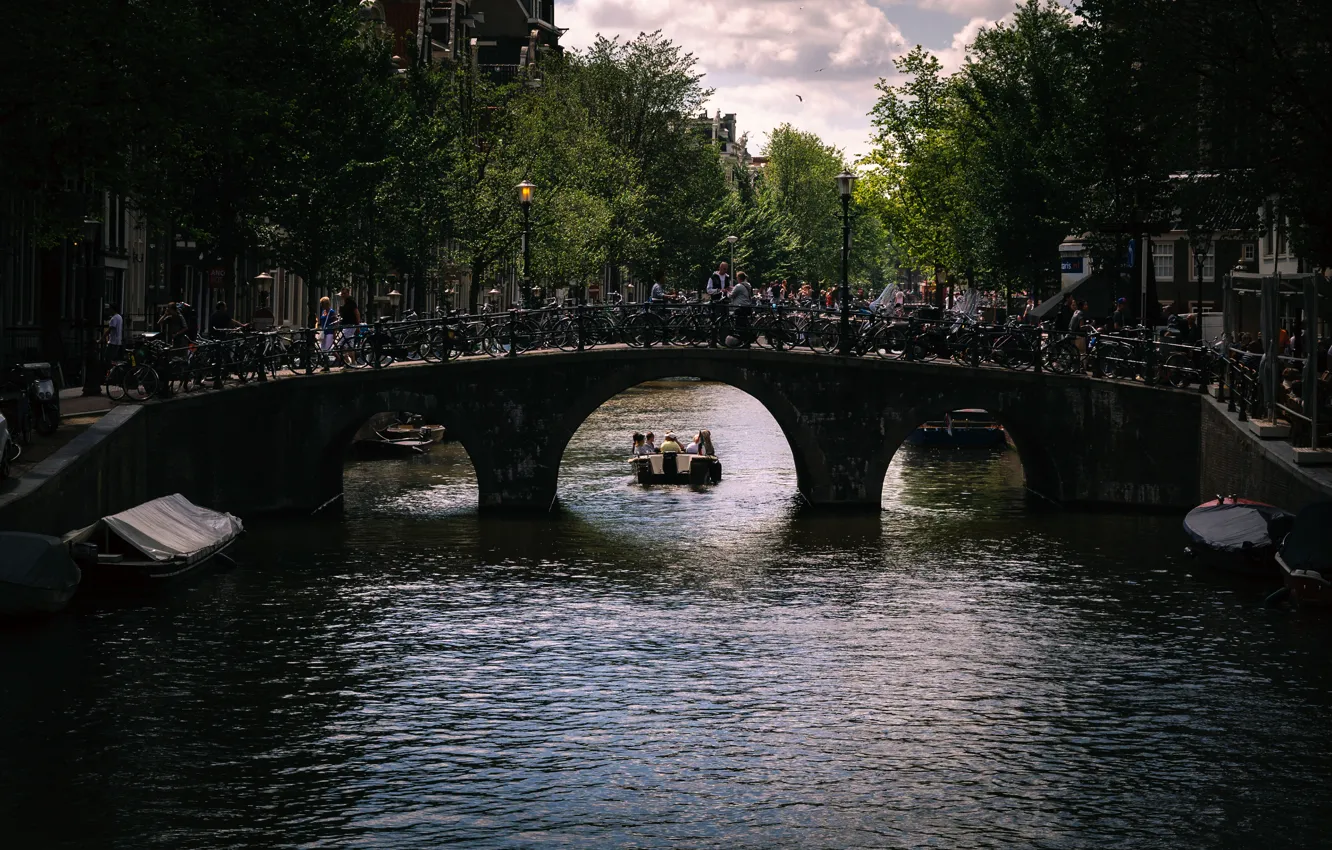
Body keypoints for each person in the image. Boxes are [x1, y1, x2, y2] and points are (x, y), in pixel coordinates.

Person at [729, 271, 754, 347]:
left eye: (737, 277)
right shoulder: (748, 285)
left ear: (739, 278)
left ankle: (741, 342)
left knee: (739, 325)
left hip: (740, 308)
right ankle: (747, 342)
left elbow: (731, 295)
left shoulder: (738, 286)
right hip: (747, 307)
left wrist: (727, 291)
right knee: (744, 325)